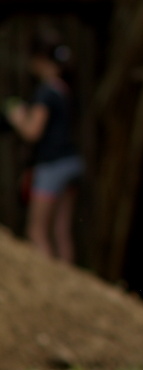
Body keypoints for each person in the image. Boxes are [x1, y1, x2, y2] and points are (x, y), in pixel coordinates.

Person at [4, 34, 84, 263]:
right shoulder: (64, 89)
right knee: (61, 231)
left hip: (52, 165)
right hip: (71, 162)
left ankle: (51, 293)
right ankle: (72, 288)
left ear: (40, 60)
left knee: (36, 231)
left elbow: (32, 132)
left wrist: (16, 115)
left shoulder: (45, 92)